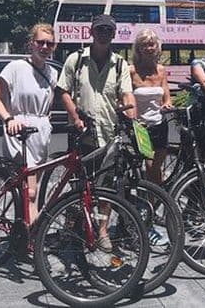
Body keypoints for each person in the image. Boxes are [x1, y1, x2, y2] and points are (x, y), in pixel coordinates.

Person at [56, 14, 136, 249]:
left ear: (113, 34)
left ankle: (102, 231)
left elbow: (126, 94)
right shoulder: (76, 59)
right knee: (79, 185)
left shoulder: (120, 63)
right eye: (99, 30)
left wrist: (131, 113)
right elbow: (63, 90)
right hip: (82, 134)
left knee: (106, 187)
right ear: (91, 32)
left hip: (109, 134)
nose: (103, 34)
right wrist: (75, 115)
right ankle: (76, 228)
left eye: (108, 31)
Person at [0, 23, 58, 223]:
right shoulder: (15, 68)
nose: (44, 47)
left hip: (41, 131)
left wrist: (47, 121)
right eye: (40, 42)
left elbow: (49, 104)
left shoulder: (52, 73)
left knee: (30, 188)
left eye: (50, 44)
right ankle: (32, 238)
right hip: (19, 128)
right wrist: (9, 119)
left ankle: (24, 229)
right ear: (31, 44)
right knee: (30, 191)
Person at [129, 29, 172, 184]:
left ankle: (155, 202)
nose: (148, 48)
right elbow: (125, 96)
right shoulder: (131, 71)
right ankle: (150, 199)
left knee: (157, 168)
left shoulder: (161, 70)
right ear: (138, 48)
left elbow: (167, 98)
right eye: (144, 45)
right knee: (150, 165)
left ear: (157, 47)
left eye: (151, 45)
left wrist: (167, 104)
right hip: (140, 125)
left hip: (160, 124)